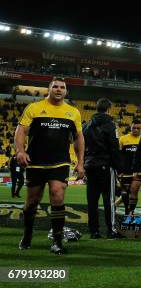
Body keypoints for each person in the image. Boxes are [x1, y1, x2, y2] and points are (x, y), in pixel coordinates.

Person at [15, 77, 85, 254]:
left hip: (60, 162)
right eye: (55, 87)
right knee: (32, 202)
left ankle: (57, 241)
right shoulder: (34, 108)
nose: (59, 90)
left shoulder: (73, 112)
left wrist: (80, 162)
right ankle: (27, 234)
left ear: (66, 91)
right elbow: (21, 130)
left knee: (57, 194)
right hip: (36, 161)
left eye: (62, 87)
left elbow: (78, 137)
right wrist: (20, 151)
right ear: (49, 89)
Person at [83, 98, 122, 239]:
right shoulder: (111, 126)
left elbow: (81, 147)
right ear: (109, 109)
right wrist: (119, 168)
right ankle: (111, 230)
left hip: (90, 165)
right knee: (109, 199)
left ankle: (94, 231)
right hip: (106, 166)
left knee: (92, 200)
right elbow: (114, 148)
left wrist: (83, 163)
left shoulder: (86, 126)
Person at [116, 120, 141, 215]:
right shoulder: (123, 139)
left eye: (138, 128)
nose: (136, 130)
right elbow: (118, 155)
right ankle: (126, 210)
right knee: (124, 193)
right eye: (134, 128)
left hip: (139, 169)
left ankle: (131, 212)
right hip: (125, 169)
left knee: (134, 190)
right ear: (130, 128)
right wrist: (119, 170)